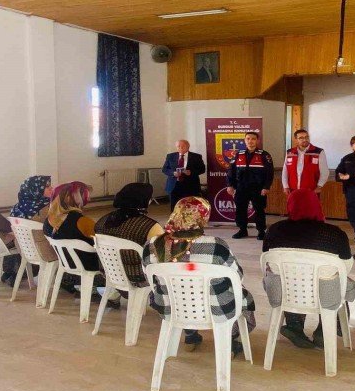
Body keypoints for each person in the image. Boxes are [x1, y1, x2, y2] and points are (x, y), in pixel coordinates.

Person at [143, 197, 256, 355]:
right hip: (216, 309)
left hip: (171, 306)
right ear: (203, 217)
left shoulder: (152, 245)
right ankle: (229, 339)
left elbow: (149, 278)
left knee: (182, 291)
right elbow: (237, 276)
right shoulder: (215, 245)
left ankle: (190, 334)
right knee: (240, 293)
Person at [262, 188, 355, 348]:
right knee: (339, 282)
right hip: (325, 294)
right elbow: (345, 266)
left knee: (292, 280)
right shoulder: (334, 234)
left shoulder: (274, 230)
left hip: (285, 292)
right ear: (317, 205)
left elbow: (266, 261)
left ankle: (294, 326)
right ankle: (325, 331)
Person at [44, 181, 119, 307]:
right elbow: (103, 241)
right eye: (83, 195)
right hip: (88, 267)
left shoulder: (48, 220)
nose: (88, 199)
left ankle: (86, 288)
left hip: (66, 266)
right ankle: (113, 293)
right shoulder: (81, 221)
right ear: (73, 198)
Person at [95, 183, 164, 288]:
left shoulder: (102, 221)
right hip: (138, 277)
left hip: (109, 273)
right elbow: (163, 254)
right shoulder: (150, 226)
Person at [226, 131, 274, 240]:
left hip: (258, 188)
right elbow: (231, 171)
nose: (250, 141)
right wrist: (230, 185)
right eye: (248, 139)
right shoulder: (238, 154)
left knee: (259, 210)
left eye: (253, 139)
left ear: (257, 141)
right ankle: (242, 230)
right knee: (240, 209)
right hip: (241, 187)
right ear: (245, 140)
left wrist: (266, 186)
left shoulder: (264, 155)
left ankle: (261, 231)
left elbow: (269, 172)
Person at [10, 175, 55, 262]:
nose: (51, 188)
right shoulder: (47, 208)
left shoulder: (16, 208)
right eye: (46, 186)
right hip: (46, 251)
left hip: (24, 250)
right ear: (35, 190)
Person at [161, 140, 206, 210]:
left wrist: (191, 172)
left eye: (183, 146)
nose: (181, 148)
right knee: (174, 207)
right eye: (178, 146)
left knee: (190, 206)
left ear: (188, 146)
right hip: (174, 185)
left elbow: (202, 169)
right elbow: (165, 169)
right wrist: (173, 173)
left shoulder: (196, 156)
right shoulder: (170, 156)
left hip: (190, 185)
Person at [282, 129, 329, 195]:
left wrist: (319, 186)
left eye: (306, 137)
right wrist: (285, 186)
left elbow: (324, 171)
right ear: (296, 139)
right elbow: (285, 170)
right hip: (292, 189)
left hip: (312, 190)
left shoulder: (318, 152)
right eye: (301, 138)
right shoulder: (290, 152)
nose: (305, 140)